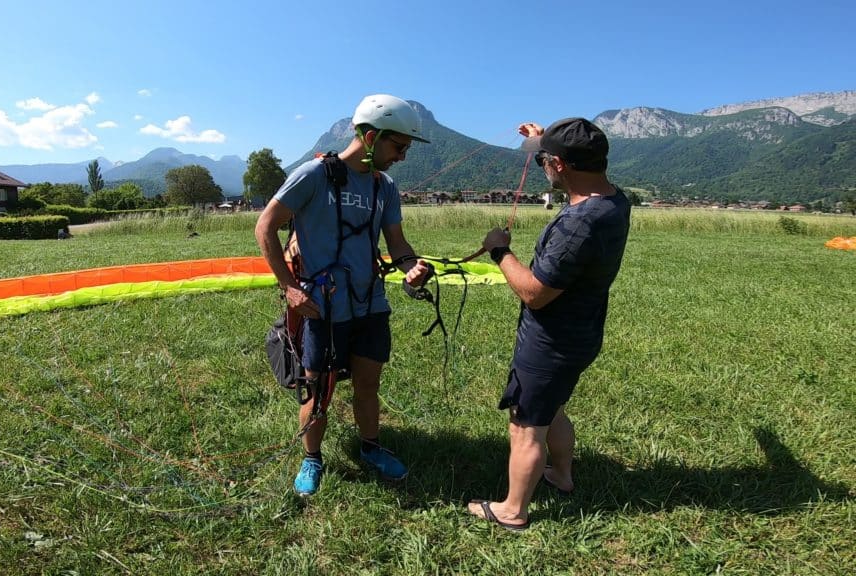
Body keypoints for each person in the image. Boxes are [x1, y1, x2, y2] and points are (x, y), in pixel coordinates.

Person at [255, 94, 434, 496]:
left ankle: (370, 447)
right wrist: (290, 288)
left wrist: (411, 267)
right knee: (319, 387)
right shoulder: (314, 175)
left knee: (368, 381)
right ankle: (312, 458)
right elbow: (265, 226)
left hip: (370, 302)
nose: (402, 157)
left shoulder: (384, 186)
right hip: (323, 306)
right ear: (370, 137)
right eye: (398, 147)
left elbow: (398, 244)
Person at [467, 118, 631, 531]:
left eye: (545, 161)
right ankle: (562, 474)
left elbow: (534, 292)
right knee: (553, 408)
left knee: (526, 425)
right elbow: (570, 158)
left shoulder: (580, 223)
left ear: (560, 164)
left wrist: (499, 251)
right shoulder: (615, 200)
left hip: (551, 341)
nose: (542, 166)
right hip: (582, 333)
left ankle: (513, 510)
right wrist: (542, 141)